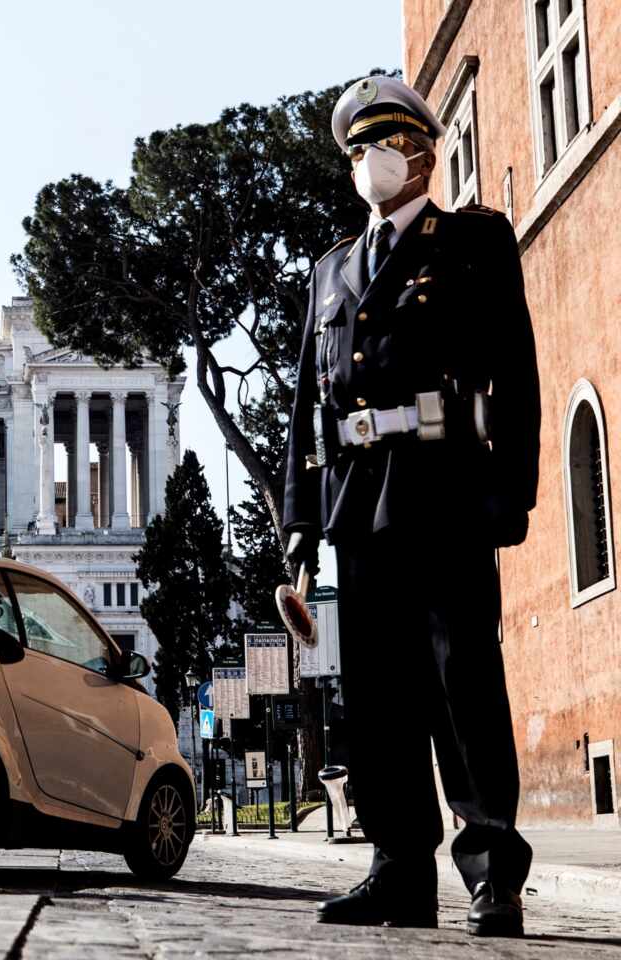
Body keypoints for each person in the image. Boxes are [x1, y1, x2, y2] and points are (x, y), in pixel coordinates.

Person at [283, 75, 540, 938]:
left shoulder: (471, 240)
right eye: (357, 151)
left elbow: (520, 375)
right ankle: (398, 869)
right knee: (379, 695)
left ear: (423, 152)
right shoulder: (328, 273)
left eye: (383, 146)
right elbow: (305, 414)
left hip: (445, 489)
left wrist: (513, 489)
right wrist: (295, 524)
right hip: (357, 502)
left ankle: (492, 870)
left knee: (462, 680)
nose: (369, 164)